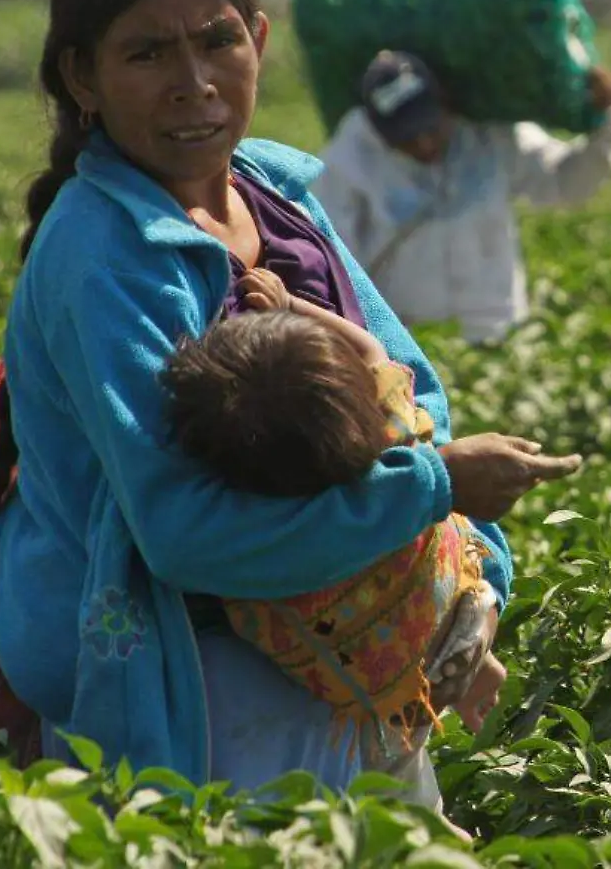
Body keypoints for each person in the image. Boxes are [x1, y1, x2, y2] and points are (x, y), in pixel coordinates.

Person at [0, 0, 580, 803]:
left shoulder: (278, 194)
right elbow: (184, 533)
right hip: (196, 683)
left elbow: (412, 394)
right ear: (82, 75)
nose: (194, 81)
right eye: (147, 52)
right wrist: (434, 490)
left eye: (217, 40)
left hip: (353, 652)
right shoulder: (103, 256)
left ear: (260, 41)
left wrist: (467, 584)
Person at [159, 266, 513, 763]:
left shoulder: (274, 544)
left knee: (393, 787)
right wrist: (291, 309)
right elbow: (370, 350)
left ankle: (432, 816)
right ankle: (474, 662)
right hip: (444, 601)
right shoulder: (394, 440)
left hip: (370, 689)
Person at [310, 49, 611, 345]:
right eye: (407, 137)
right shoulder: (350, 160)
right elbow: (332, 264)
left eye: (430, 129)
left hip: (502, 336)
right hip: (410, 350)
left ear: (445, 104)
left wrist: (607, 119)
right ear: (377, 129)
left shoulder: (490, 137)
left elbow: (566, 182)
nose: (424, 145)